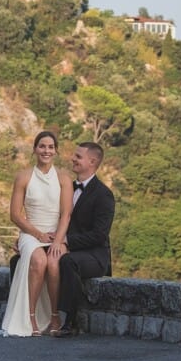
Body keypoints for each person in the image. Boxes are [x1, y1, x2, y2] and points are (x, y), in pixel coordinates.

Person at [1, 130, 73, 336]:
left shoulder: (63, 178)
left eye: (51, 147)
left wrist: (58, 241)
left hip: (55, 234)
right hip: (30, 233)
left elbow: (66, 214)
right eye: (42, 146)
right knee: (40, 261)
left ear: (56, 151)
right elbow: (15, 215)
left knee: (53, 262)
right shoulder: (23, 177)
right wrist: (38, 235)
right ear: (34, 149)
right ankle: (30, 317)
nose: (46, 150)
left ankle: (54, 316)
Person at [46, 141, 115, 338]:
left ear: (92, 162)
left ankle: (71, 321)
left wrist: (66, 241)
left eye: (78, 157)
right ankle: (28, 316)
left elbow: (99, 235)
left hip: (95, 256)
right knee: (26, 257)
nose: (72, 159)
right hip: (68, 247)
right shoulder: (66, 188)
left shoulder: (104, 195)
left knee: (68, 262)